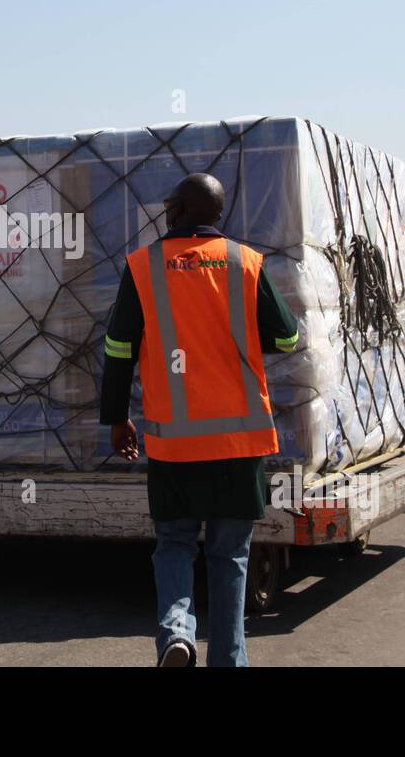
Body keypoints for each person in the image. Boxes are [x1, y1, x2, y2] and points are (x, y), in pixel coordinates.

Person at [100, 173, 298, 667]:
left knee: (174, 544)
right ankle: (229, 661)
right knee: (229, 557)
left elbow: (119, 347)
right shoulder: (245, 263)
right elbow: (290, 338)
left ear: (178, 211)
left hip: (174, 445)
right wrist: (242, 341)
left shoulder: (143, 267)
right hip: (239, 443)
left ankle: (175, 637)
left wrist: (117, 418)